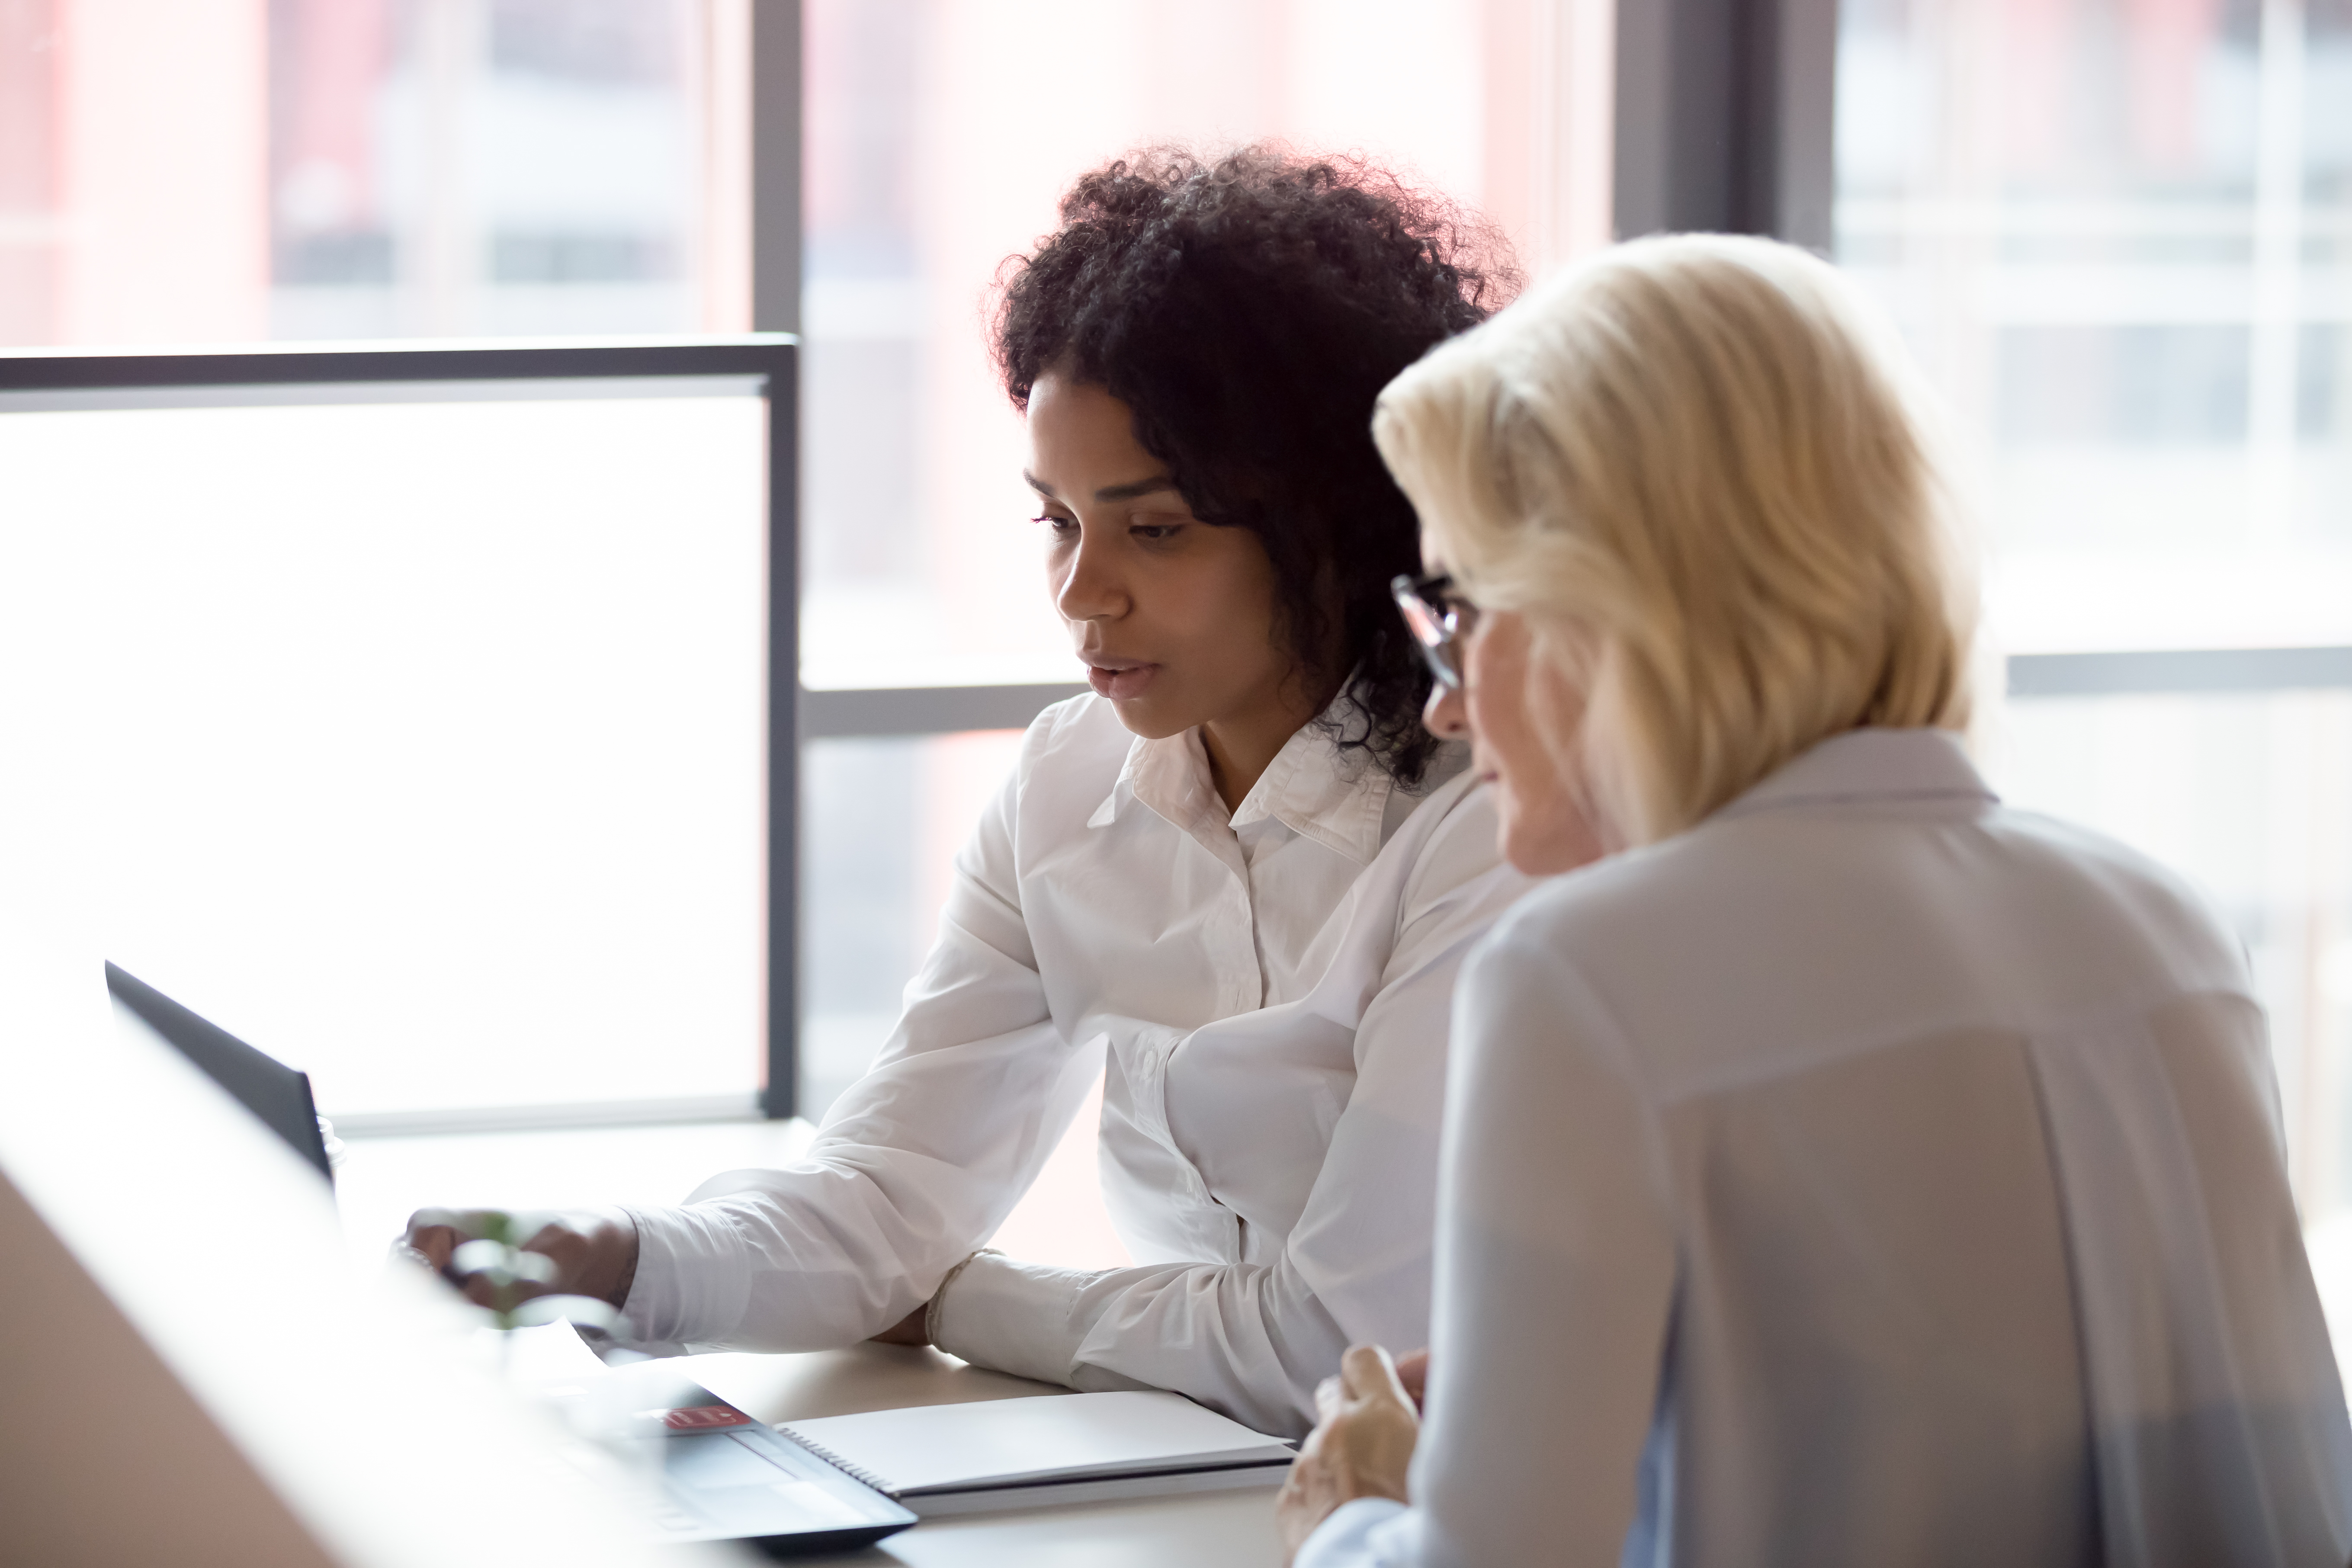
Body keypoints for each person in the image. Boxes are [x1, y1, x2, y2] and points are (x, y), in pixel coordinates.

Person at [404, 147, 1534, 1437]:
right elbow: (891, 1195)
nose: (1081, 591)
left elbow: (1341, 1347)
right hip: (1175, 1481)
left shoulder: (1488, 816)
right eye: (1057, 518)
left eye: (1152, 528)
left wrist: (962, 1302)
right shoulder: (1071, 781)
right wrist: (607, 1252)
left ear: (1338, 521)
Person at [1276, 233, 2352, 1564]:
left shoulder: (1585, 974)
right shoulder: (2167, 926)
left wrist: (1367, 1509)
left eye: (1457, 609)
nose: (1444, 697)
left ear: (1615, 600)